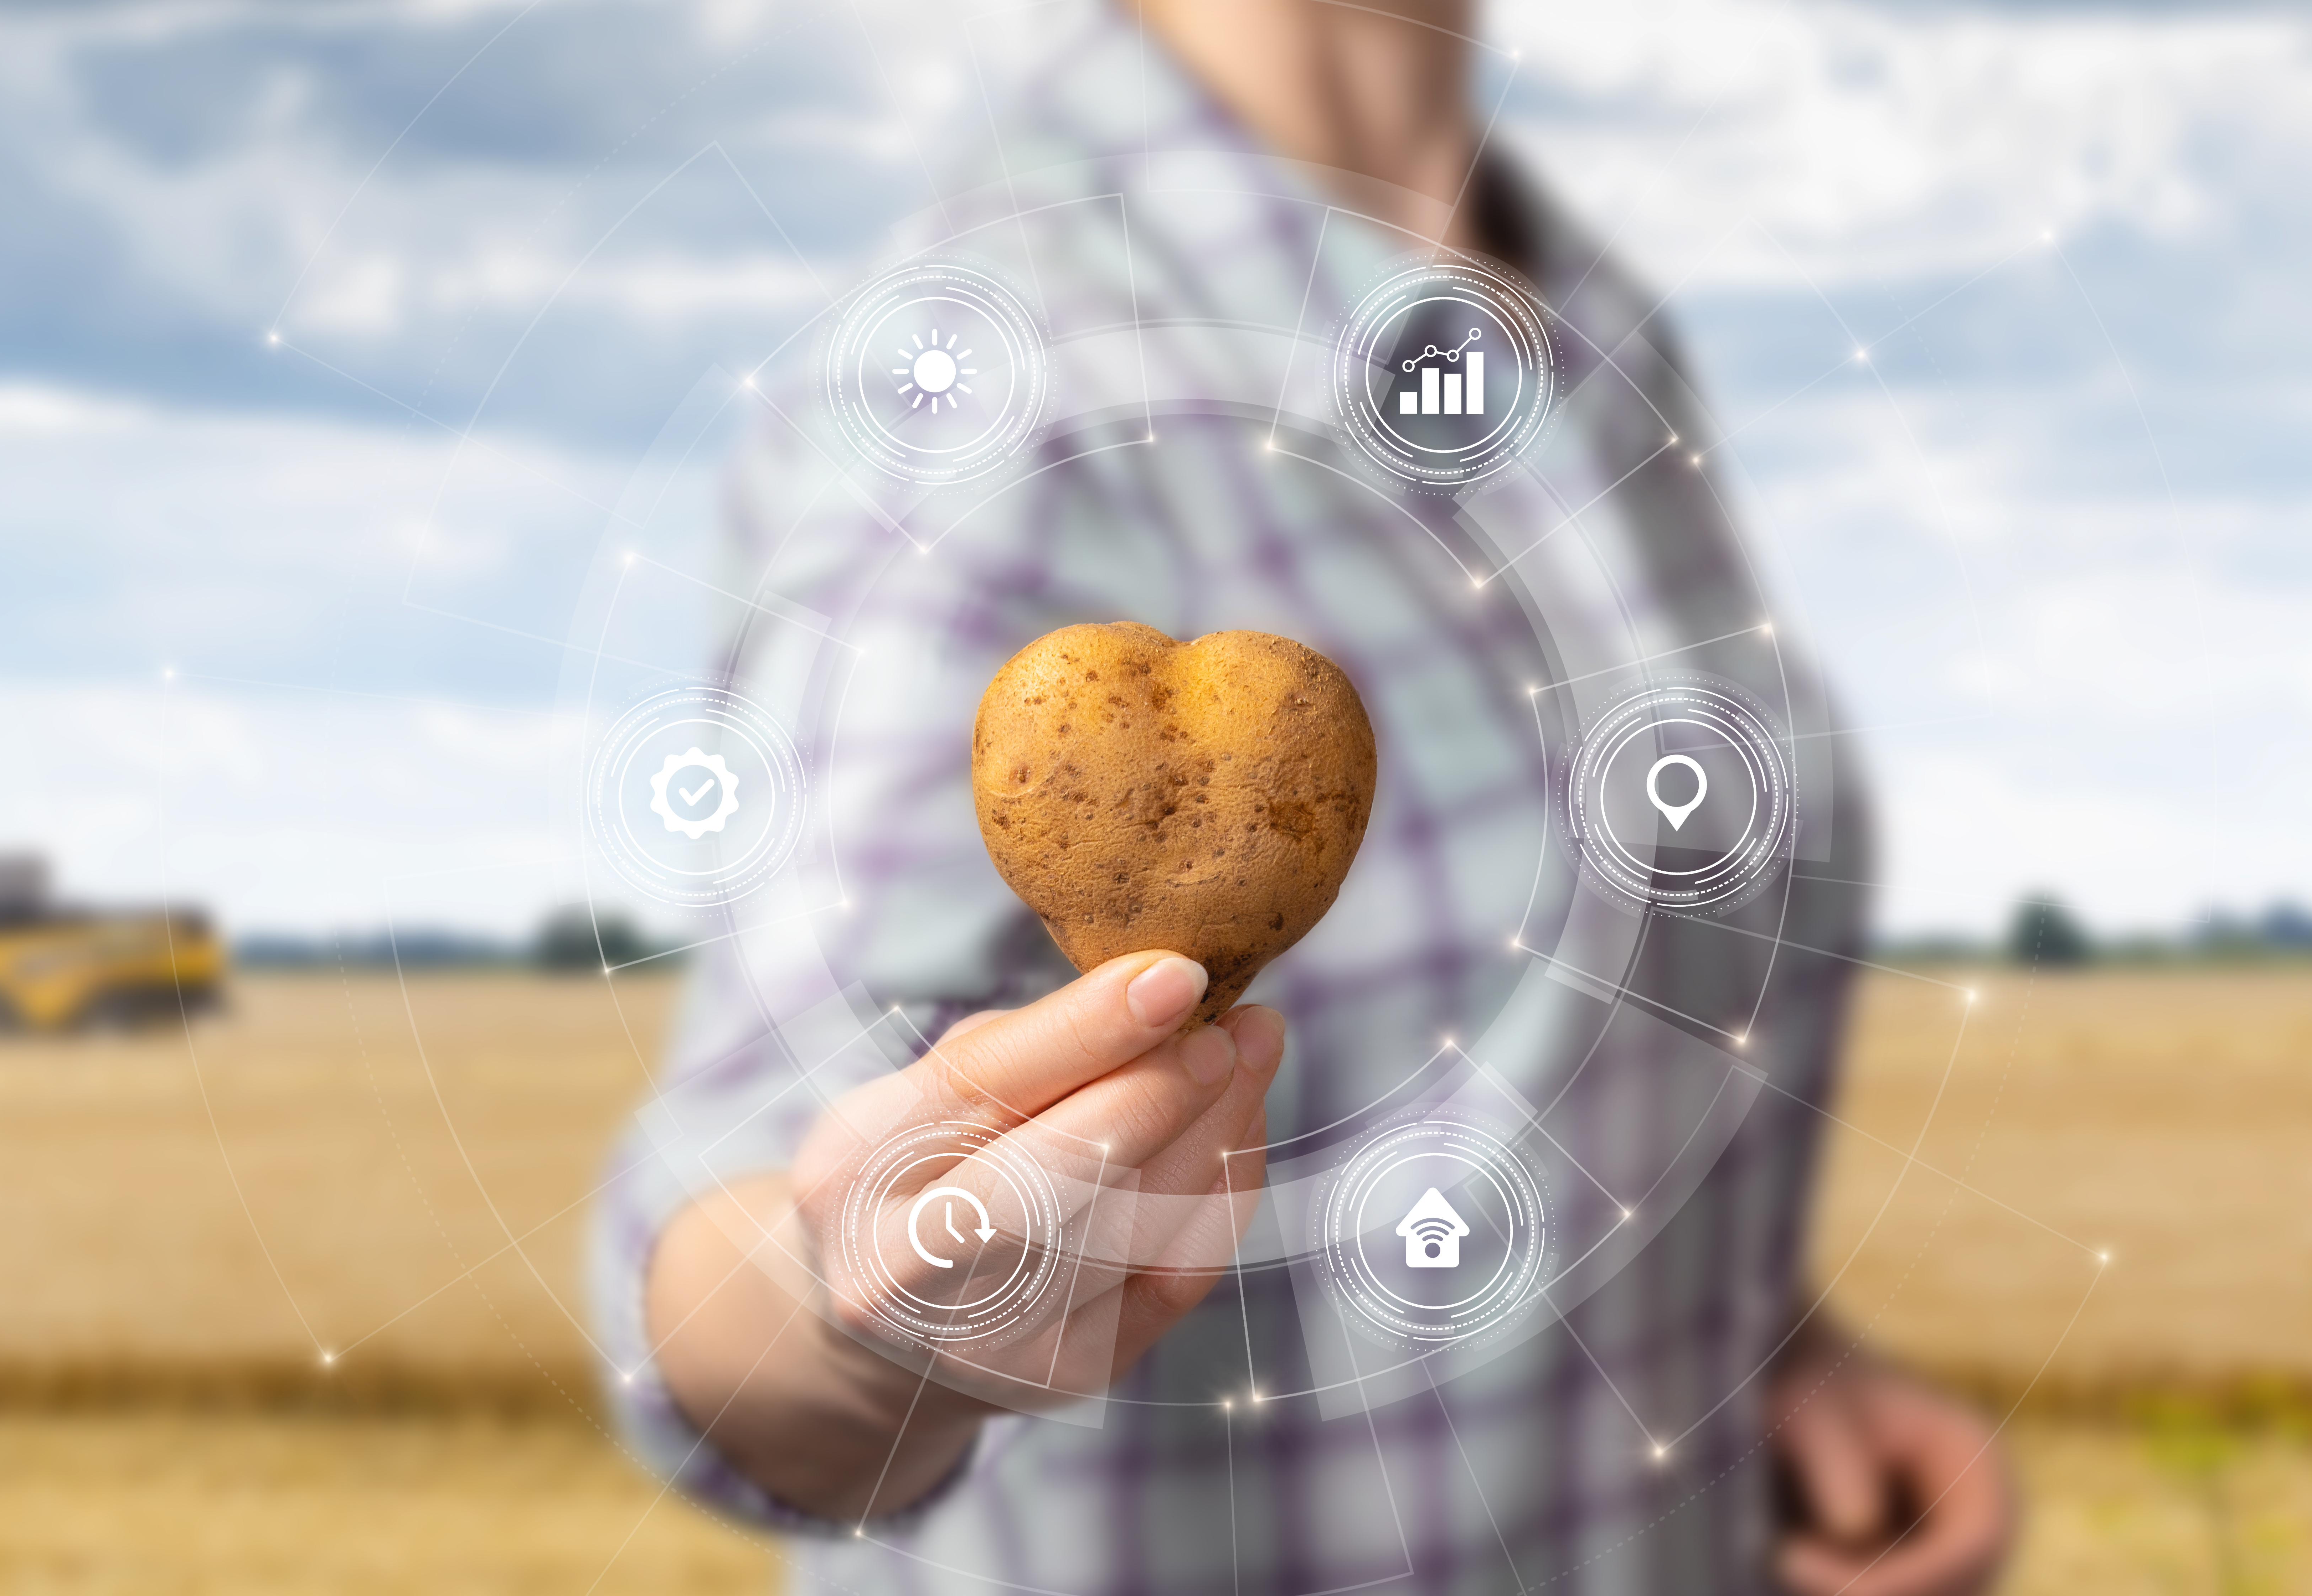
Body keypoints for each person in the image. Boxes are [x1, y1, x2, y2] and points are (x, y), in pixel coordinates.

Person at [588, 1, 2017, 1591]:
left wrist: (1766, 1360)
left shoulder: (1589, 324)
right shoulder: (1004, 370)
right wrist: (871, 1324)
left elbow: (1591, 1011)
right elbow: (746, 1231)